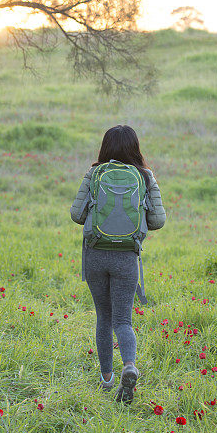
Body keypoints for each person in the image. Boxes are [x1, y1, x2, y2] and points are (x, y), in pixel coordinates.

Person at [70, 125, 166, 404]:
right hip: (127, 259)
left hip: (96, 255)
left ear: (105, 146)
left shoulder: (95, 173)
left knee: (104, 318)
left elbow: (76, 214)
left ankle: (107, 380)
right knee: (123, 320)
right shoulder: (145, 176)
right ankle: (130, 366)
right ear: (135, 147)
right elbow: (158, 221)